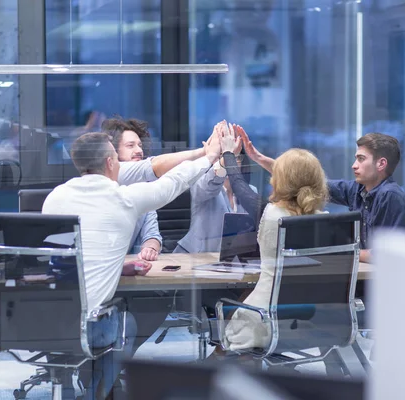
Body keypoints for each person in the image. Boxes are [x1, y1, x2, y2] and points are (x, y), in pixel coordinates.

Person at [42, 131, 221, 399]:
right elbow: (174, 181)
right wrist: (210, 156)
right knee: (127, 323)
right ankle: (97, 393)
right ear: (111, 163)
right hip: (91, 326)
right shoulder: (123, 199)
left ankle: (76, 388)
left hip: (46, 319)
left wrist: (116, 266)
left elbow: (64, 260)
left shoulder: (55, 198)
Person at [219, 125, 329, 350]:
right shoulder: (324, 221)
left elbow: (239, 186)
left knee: (236, 302)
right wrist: (258, 157)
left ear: (279, 179)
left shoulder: (270, 214)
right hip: (311, 321)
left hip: (264, 320)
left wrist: (228, 153)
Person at [238, 130, 405, 263]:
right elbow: (304, 180)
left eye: (361, 159)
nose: (354, 165)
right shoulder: (359, 190)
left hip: (392, 287)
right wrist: (260, 159)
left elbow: (385, 256)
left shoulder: (390, 196)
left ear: (381, 164)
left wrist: (339, 251)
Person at [175, 121, 257, 253]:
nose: (231, 162)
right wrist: (227, 156)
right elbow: (210, 184)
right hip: (195, 258)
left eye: (236, 157)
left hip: (230, 261)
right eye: (222, 156)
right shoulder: (201, 182)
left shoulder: (251, 190)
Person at [101, 116, 161, 260]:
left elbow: (152, 234)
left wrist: (150, 248)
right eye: (130, 145)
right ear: (113, 151)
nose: (139, 150)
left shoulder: (144, 188)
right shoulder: (104, 187)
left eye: (140, 145)